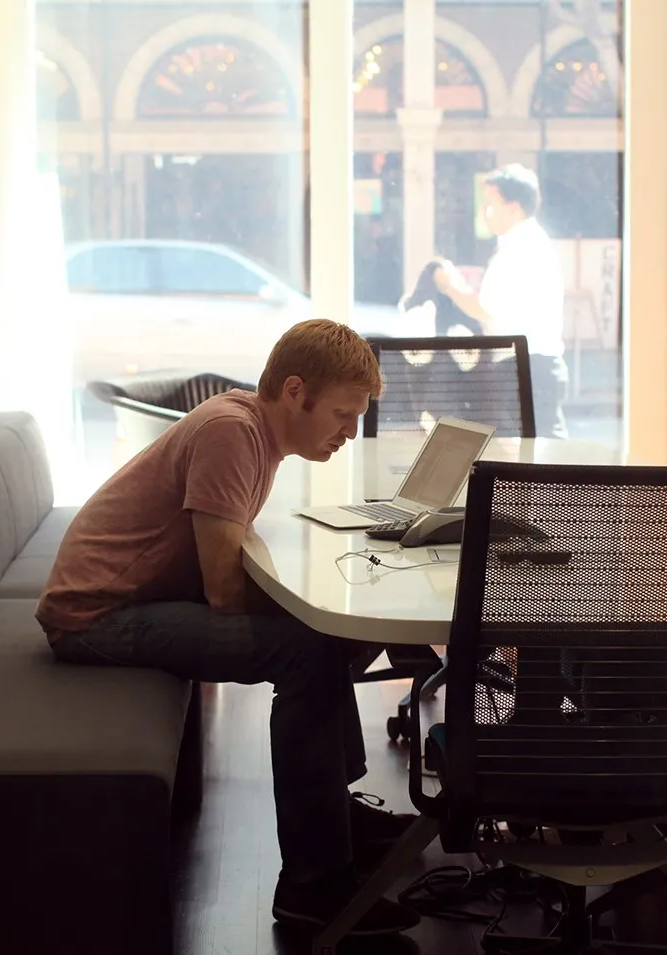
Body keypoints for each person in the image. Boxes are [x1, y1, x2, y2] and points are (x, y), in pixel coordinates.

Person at [35, 319, 420, 937]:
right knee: (309, 651)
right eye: (343, 415)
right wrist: (326, 615)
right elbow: (222, 589)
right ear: (295, 391)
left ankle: (335, 820)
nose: (351, 432)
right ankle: (313, 886)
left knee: (322, 641)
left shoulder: (251, 428)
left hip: (133, 598)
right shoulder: (231, 434)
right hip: (95, 618)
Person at [432, 163, 569, 438]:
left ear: (514, 207)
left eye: (491, 204)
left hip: (527, 367)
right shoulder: (529, 242)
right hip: (534, 366)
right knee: (538, 454)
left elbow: (484, 309)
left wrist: (448, 284)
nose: (485, 212)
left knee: (538, 457)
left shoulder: (518, 248)